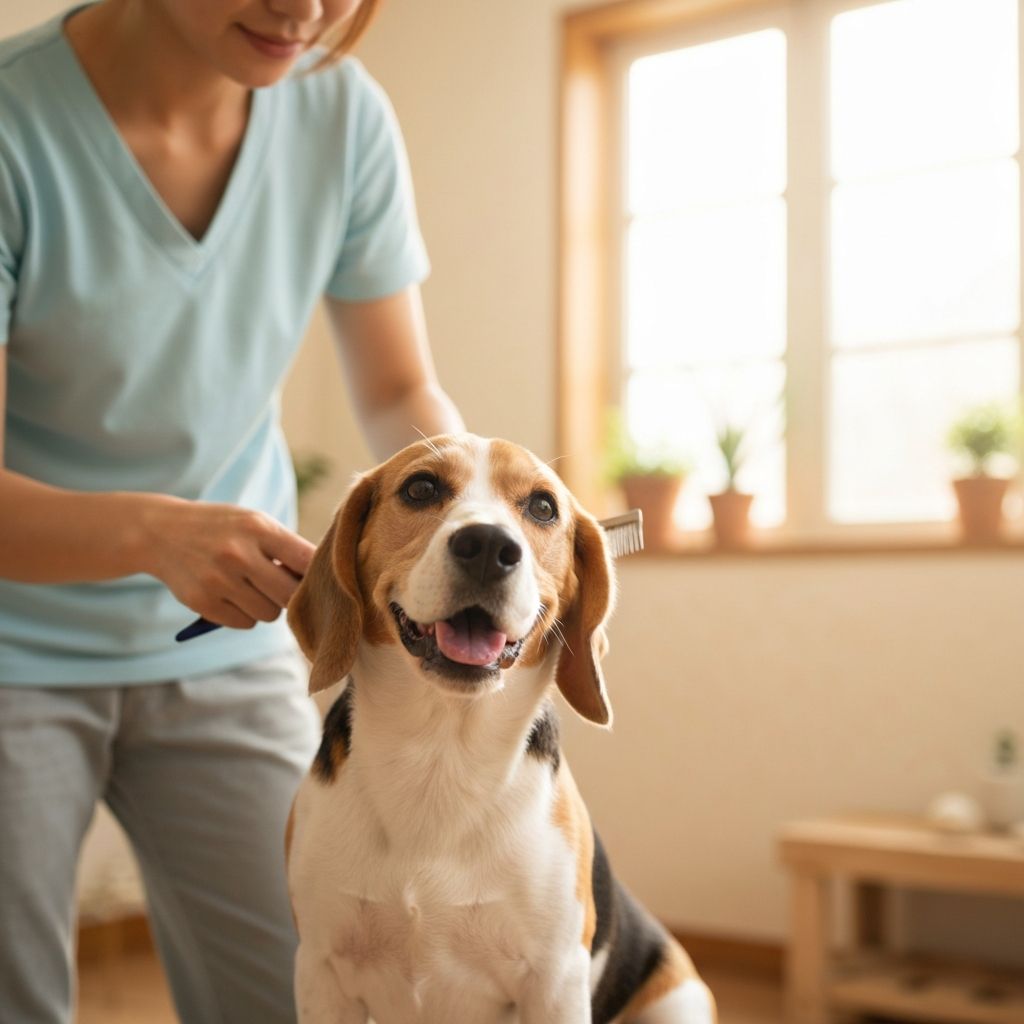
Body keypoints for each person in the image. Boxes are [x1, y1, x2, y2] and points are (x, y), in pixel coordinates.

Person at [0, 1, 464, 1021]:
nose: (304, 8)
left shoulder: (342, 119)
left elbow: (395, 390)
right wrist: (156, 534)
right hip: (11, 650)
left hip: (225, 647)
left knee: (304, 989)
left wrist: (473, 510)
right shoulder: (12, 127)